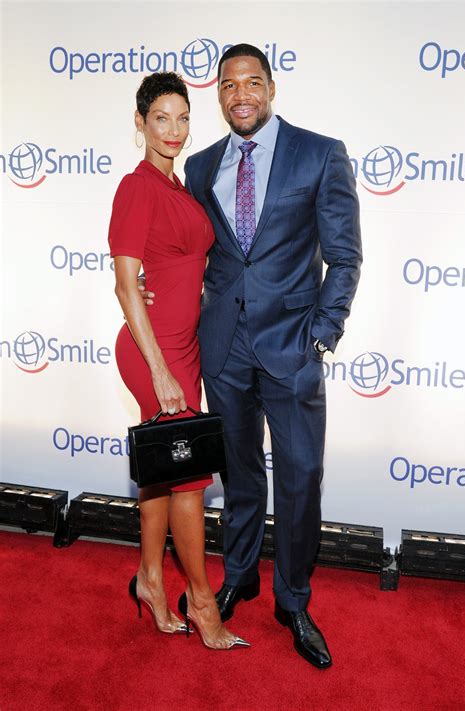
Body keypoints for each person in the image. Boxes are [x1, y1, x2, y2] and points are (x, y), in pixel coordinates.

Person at [141, 44, 362, 668]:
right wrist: (150, 284)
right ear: (219, 94)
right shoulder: (201, 165)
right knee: (239, 476)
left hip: (293, 346)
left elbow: (345, 256)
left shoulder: (319, 153)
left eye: (253, 82)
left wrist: (323, 332)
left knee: (300, 477)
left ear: (270, 88)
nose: (241, 94)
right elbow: (188, 248)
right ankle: (239, 575)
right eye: (229, 85)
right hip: (224, 348)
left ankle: (293, 600)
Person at [108, 71, 249, 650]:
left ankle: (149, 579)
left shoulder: (182, 186)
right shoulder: (136, 187)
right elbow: (125, 285)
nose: (174, 130)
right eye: (161, 118)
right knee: (190, 482)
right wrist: (161, 370)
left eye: (183, 118)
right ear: (140, 123)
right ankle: (203, 604)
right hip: (154, 355)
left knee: (163, 476)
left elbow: (181, 268)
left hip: (183, 349)